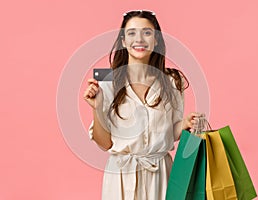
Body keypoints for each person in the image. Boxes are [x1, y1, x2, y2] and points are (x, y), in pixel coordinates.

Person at [83, 10, 204, 200]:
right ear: (123, 41)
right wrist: (97, 108)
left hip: (161, 174)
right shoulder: (106, 81)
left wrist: (185, 124)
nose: (139, 39)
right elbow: (105, 143)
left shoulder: (173, 80)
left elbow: (169, 133)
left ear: (156, 40)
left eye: (147, 33)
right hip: (121, 177)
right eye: (131, 33)